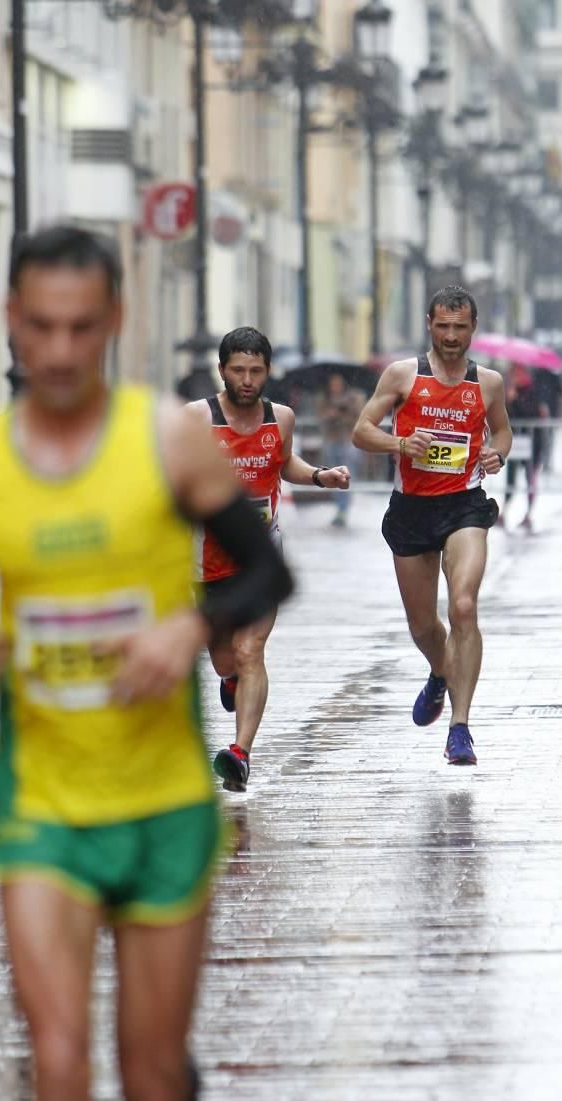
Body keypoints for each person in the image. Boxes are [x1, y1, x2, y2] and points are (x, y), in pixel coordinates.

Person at [0, 224, 293, 1101]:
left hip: (164, 805)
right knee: (55, 1059)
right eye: (38, 326)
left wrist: (196, 620)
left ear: (115, 326)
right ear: (10, 321)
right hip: (40, 804)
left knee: (142, 1078)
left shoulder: (166, 441)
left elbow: (266, 571)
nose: (56, 351)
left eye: (81, 328)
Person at [352, 285, 512, 767]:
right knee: (423, 625)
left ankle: (460, 727)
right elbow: (362, 430)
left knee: (463, 606)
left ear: (473, 329)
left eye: (460, 327)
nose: (451, 336)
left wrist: (496, 452)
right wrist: (400, 445)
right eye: (443, 326)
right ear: (429, 324)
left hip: (464, 505)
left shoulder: (488, 383)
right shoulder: (403, 375)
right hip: (412, 509)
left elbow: (502, 429)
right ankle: (440, 672)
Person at [186, 327, 350, 792]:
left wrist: (320, 476)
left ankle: (240, 754)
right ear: (222, 371)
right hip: (204, 565)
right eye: (238, 370)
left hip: (260, 559)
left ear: (267, 372)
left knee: (249, 650)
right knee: (224, 660)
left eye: (256, 371)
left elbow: (285, 463)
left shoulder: (282, 417)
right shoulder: (196, 419)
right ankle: (232, 681)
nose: (246, 379)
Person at [501, 364, 548, 531]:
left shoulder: (533, 390)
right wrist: (509, 401)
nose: (515, 376)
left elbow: (533, 412)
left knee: (530, 479)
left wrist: (517, 401)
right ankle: (504, 511)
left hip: (533, 444)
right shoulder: (508, 391)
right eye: (513, 372)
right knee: (510, 478)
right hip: (515, 443)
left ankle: (528, 514)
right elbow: (503, 417)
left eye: (518, 372)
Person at [317, 373, 362, 527]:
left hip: (347, 441)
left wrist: (343, 413)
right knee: (332, 476)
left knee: (347, 476)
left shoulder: (353, 398)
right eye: (333, 384)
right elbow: (321, 418)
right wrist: (330, 414)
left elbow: (358, 418)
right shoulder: (325, 399)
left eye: (338, 384)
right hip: (332, 440)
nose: (335, 387)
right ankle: (339, 507)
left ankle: (343, 509)